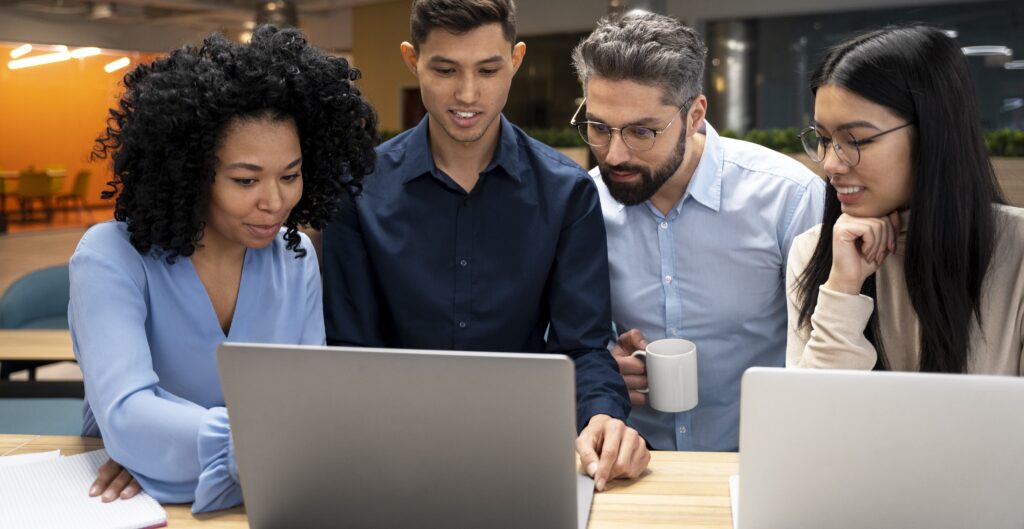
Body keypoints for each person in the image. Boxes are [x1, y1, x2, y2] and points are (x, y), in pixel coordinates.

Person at [321, 0, 648, 490]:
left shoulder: (566, 192)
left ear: (515, 61)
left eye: (488, 69)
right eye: (445, 69)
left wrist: (603, 416)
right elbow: (351, 353)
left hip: (525, 457)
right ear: (413, 60)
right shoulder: (357, 191)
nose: (467, 93)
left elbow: (582, 347)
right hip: (388, 460)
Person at [70, 26, 377, 512]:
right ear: (189, 172)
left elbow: (310, 415)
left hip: (248, 503)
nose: (274, 202)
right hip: (126, 507)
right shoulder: (110, 257)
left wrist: (168, 457)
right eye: (245, 179)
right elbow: (128, 419)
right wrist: (263, 452)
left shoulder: (295, 259)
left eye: (291, 175)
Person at [570, 12, 825, 452]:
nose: (614, 154)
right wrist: (602, 369)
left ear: (694, 115)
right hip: (635, 466)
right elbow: (569, 340)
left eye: (641, 131)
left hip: (762, 460)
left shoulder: (789, 198)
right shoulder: (583, 205)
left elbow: (830, 349)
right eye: (598, 127)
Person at [787, 25, 1023, 373]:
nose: (831, 163)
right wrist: (842, 289)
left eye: (858, 140)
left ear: (933, 134)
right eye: (822, 138)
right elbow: (811, 417)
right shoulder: (817, 252)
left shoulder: (1015, 250)